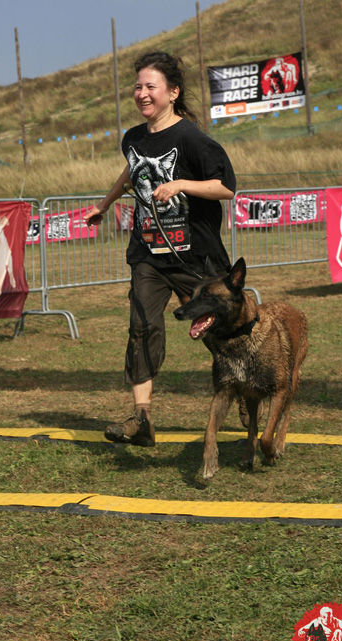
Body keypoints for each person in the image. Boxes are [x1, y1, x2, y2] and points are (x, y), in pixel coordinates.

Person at [84, 51, 236, 446]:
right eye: (138, 86)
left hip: (194, 254)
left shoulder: (191, 139)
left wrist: (182, 184)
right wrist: (104, 205)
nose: (142, 93)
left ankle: (243, 386)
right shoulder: (132, 138)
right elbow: (131, 172)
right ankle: (142, 419)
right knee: (142, 327)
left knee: (222, 329)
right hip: (148, 254)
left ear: (172, 92)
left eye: (151, 86)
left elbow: (225, 188)